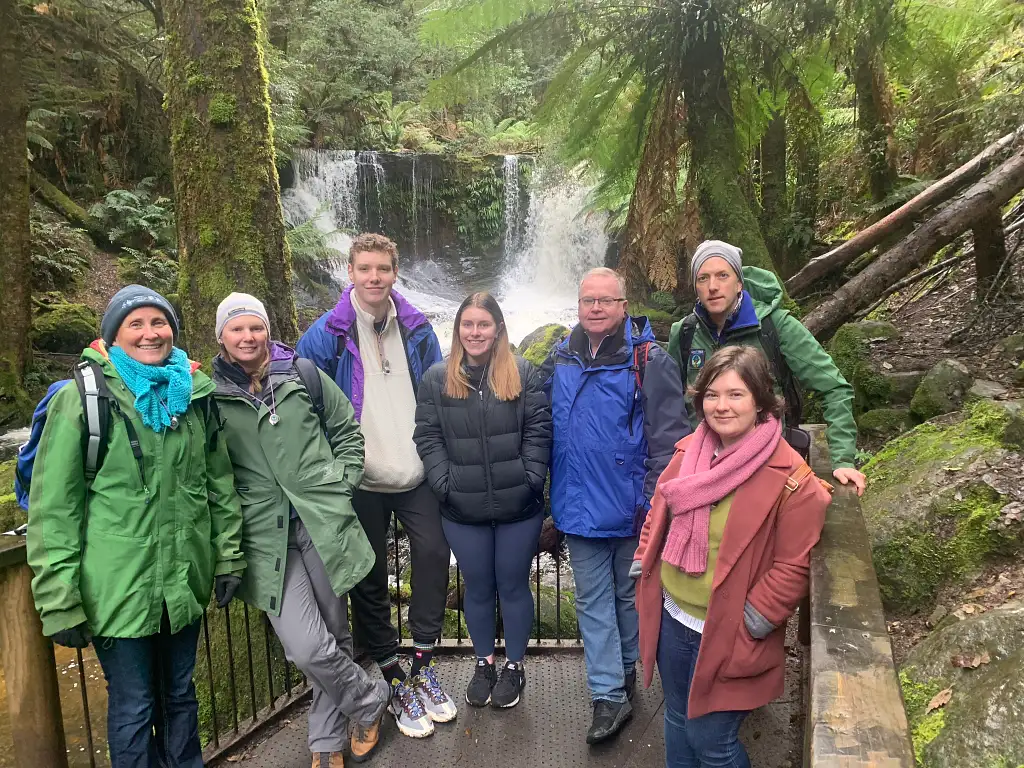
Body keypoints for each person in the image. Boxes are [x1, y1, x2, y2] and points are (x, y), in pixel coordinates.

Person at [26, 284, 245, 768]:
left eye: (159, 322)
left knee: (181, 696)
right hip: (118, 586)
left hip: (183, 582)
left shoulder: (193, 396)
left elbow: (218, 487)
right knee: (133, 707)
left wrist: (229, 556)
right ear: (115, 335)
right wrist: (61, 601)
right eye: (136, 324)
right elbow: (54, 510)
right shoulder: (84, 400)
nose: (151, 333)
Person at [211, 293, 391, 768]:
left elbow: (347, 430)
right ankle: (371, 699)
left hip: (320, 523)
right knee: (307, 646)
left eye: (255, 327)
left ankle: (326, 742)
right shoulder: (210, 399)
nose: (248, 337)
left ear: (267, 330)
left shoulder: (302, 375)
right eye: (237, 329)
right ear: (222, 337)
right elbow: (212, 475)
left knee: (334, 633)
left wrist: (342, 483)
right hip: (266, 538)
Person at [632, 346, 831, 768]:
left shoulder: (792, 479)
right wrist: (644, 557)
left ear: (760, 400)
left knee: (712, 739)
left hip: (729, 629)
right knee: (677, 718)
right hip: (673, 615)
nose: (721, 406)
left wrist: (755, 619)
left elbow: (794, 564)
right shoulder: (691, 451)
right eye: (712, 394)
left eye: (736, 395)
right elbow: (659, 508)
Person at [296, 233, 455, 737]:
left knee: (432, 556)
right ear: (350, 272)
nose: (374, 277)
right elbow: (305, 406)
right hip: (359, 476)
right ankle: (391, 671)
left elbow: (436, 391)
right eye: (365, 268)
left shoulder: (416, 328)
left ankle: (423, 663)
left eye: (382, 268)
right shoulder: (325, 335)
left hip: (415, 471)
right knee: (367, 574)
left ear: (394, 271)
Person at [542, 267, 689, 744]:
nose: (597, 308)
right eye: (589, 301)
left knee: (628, 598)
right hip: (579, 506)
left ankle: (626, 669)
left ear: (624, 305)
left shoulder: (650, 360)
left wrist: (652, 506)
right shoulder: (559, 359)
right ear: (578, 306)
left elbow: (669, 443)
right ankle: (608, 694)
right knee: (593, 601)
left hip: (632, 509)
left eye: (607, 300)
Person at [413, 292, 553, 709]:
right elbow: (428, 435)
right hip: (462, 508)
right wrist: (444, 483)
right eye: (468, 325)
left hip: (519, 507)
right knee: (476, 587)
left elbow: (539, 429)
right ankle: (483, 662)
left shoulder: (522, 373)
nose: (476, 332)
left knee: (512, 585)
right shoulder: (437, 379)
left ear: (498, 329)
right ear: (458, 330)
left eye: (484, 324)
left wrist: (531, 478)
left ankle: (514, 666)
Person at [669, 239, 867, 495]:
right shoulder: (684, 333)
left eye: (722, 275)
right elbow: (669, 401)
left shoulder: (775, 327)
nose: (713, 287)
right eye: (703, 278)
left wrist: (842, 460)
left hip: (768, 467)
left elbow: (833, 388)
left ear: (739, 282)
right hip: (703, 470)